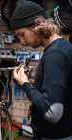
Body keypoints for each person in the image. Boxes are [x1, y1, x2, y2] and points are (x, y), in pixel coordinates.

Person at [9, 0, 72, 139]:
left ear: (36, 26)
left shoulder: (55, 56)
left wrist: (25, 84)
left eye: (22, 34)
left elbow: (52, 113)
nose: (22, 41)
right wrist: (34, 82)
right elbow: (60, 91)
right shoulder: (62, 47)